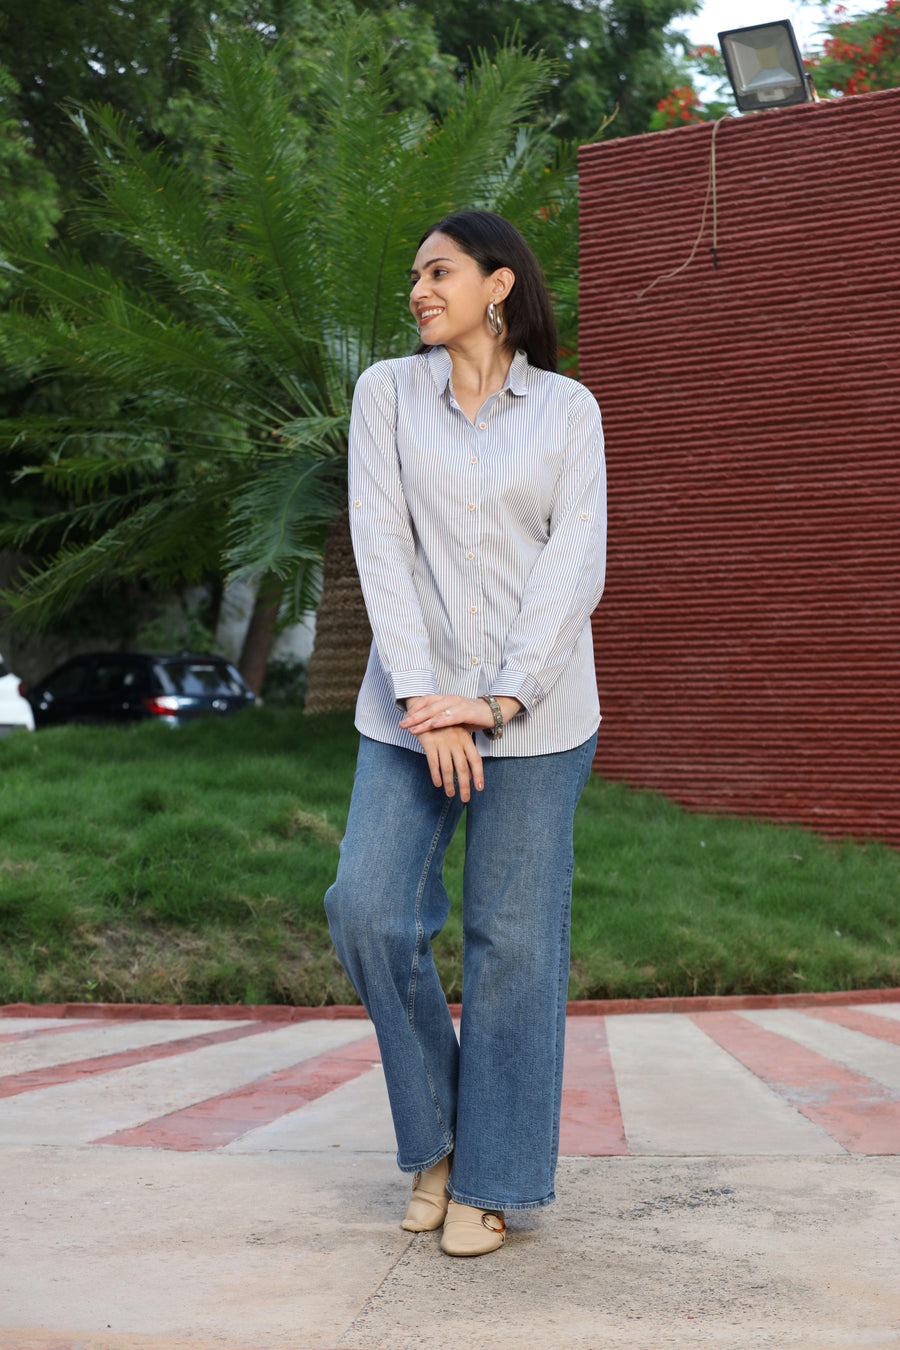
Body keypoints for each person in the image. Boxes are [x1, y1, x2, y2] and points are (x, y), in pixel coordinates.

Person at [324, 209, 606, 1257]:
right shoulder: (386, 395)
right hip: (409, 711)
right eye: (411, 277)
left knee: (512, 945)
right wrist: (428, 697)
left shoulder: (569, 412)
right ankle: (438, 1137)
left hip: (537, 719)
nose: (417, 290)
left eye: (437, 272)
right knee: (365, 907)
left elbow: (574, 567)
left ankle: (491, 1180)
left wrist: (496, 702)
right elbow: (379, 549)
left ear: (499, 284)